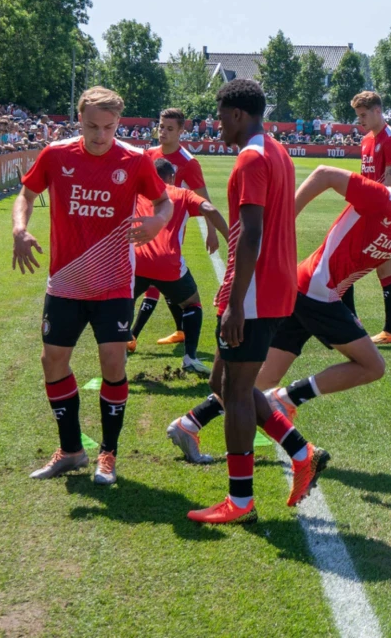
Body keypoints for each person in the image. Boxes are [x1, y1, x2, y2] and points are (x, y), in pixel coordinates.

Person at [210, 155, 391, 445]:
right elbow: (324, 174)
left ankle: (189, 424)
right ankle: (286, 399)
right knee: (373, 366)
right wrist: (283, 221)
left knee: (265, 377)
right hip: (316, 291)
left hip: (307, 289)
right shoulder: (380, 197)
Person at [173, 79, 327, 525]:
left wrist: (237, 304)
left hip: (255, 291)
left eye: (220, 115)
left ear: (238, 115)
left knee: (237, 392)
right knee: (225, 385)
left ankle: (240, 502)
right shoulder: (277, 151)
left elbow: (251, 234)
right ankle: (302, 452)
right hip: (272, 285)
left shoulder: (252, 158)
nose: (216, 123)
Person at [12, 86, 172, 487]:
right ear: (78, 120)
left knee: (113, 365)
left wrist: (156, 221)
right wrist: (19, 228)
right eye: (91, 126)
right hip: (65, 282)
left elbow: (164, 203)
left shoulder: (134, 161)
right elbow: (27, 194)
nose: (99, 135)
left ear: (119, 122)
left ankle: (108, 454)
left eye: (108, 127)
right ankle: (70, 450)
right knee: (52, 361)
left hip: (114, 283)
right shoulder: (56, 154)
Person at [131, 157, 230, 374]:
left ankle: (116, 354)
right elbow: (210, 210)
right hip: (167, 263)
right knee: (192, 303)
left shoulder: (136, 192)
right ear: (172, 177)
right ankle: (190, 357)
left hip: (136, 260)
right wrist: (231, 239)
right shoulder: (181, 194)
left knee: (120, 304)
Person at [135, 108, 216, 348]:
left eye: (170, 129)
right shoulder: (148, 154)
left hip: (170, 228)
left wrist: (211, 231)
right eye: (161, 127)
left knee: (158, 275)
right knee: (158, 277)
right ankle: (176, 331)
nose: (163, 132)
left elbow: (204, 198)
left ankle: (132, 335)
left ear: (182, 131)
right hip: (146, 221)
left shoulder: (188, 163)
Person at [350, 91, 391, 344]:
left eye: (363, 115)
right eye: (357, 116)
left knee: (375, 270)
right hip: (367, 212)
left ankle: (387, 330)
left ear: (377, 111)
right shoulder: (366, 141)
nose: (360, 121)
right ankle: (358, 324)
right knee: (347, 265)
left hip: (384, 216)